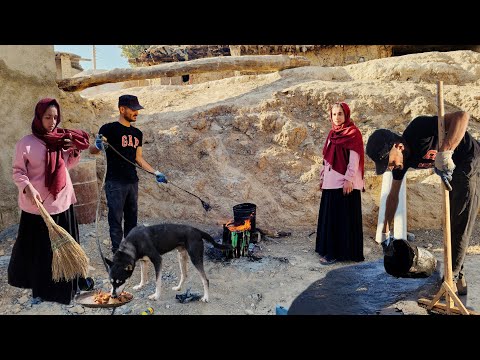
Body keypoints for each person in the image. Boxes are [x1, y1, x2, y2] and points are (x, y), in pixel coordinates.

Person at [366, 111, 477, 295]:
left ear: (398, 146)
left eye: (389, 162)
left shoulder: (418, 129)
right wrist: (385, 230)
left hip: (470, 159)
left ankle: (452, 278)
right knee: (450, 223)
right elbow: (392, 197)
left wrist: (446, 151)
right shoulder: (402, 164)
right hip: (452, 172)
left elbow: (462, 117)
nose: (391, 167)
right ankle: (457, 277)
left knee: (460, 220)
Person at [8, 98, 93, 305]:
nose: (52, 121)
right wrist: (27, 187)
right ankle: (43, 289)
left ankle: (69, 285)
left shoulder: (61, 140)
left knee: (66, 248)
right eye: (48, 117)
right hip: (37, 207)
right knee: (41, 250)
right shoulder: (26, 143)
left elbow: (68, 165)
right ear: (39, 117)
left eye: (55, 117)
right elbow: (18, 172)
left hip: (62, 201)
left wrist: (74, 150)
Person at [89, 94, 167, 254]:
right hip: (114, 183)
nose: (136, 112)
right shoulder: (108, 128)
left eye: (137, 109)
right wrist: (97, 145)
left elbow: (138, 158)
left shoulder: (138, 133)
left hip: (132, 182)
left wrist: (155, 172)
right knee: (115, 220)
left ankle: (130, 250)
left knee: (132, 219)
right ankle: (118, 252)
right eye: (133, 109)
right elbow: (93, 151)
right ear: (122, 109)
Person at [315, 102, 365, 265]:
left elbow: (354, 158)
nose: (337, 117)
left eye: (340, 114)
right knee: (330, 218)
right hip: (331, 182)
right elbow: (327, 159)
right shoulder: (332, 134)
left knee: (340, 220)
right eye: (334, 114)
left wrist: (349, 179)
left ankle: (335, 254)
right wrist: (322, 177)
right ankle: (330, 250)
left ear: (346, 115)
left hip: (344, 183)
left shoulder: (353, 133)